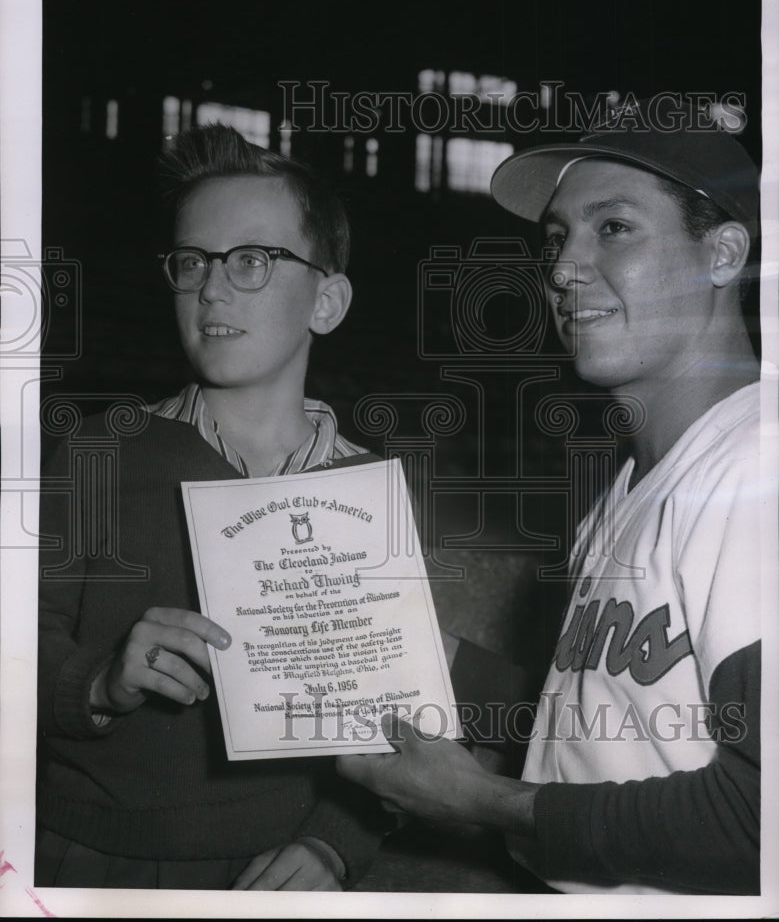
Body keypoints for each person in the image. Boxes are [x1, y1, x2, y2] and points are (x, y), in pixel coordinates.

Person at [337, 98, 770, 895]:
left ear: (723, 252)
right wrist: (407, 651)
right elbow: (611, 723)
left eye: (613, 228)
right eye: (555, 237)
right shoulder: (629, 487)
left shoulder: (753, 465)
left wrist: (487, 802)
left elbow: (762, 818)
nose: (563, 268)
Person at [36, 124, 387, 890]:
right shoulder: (98, 452)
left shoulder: (369, 497)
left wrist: (332, 844)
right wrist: (96, 683)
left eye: (252, 260)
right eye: (191, 261)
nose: (211, 287)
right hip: (82, 860)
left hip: (273, 871)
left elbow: (393, 721)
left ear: (326, 300)